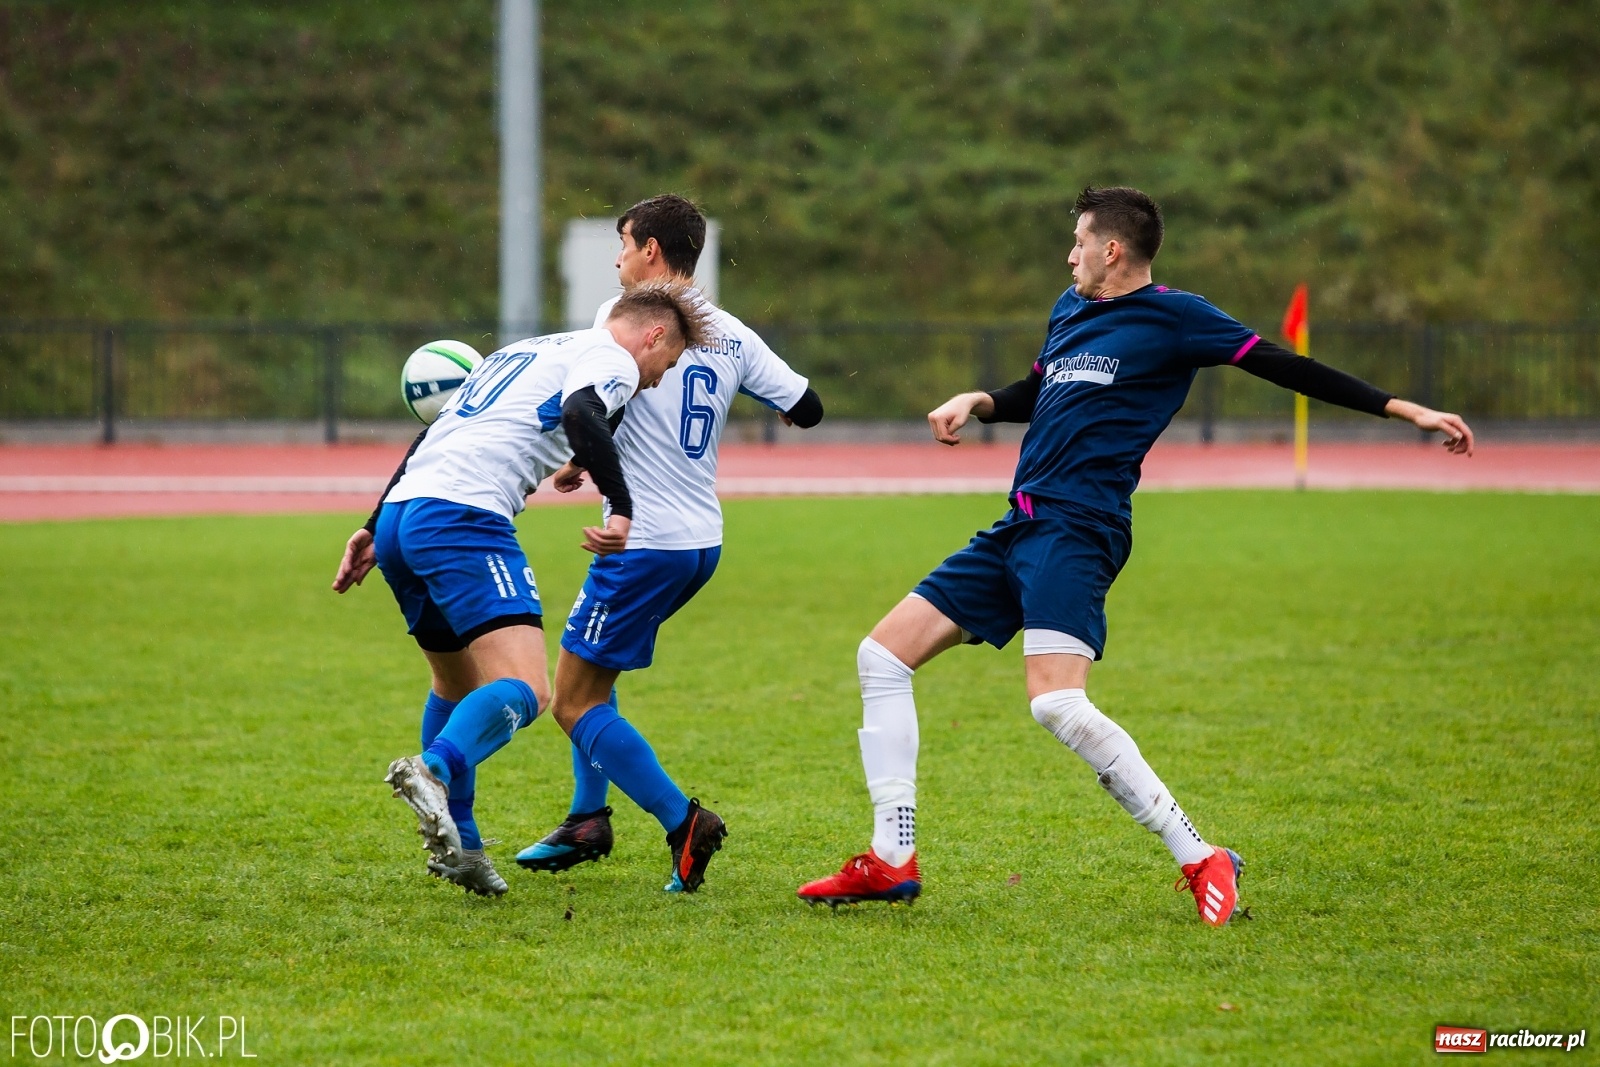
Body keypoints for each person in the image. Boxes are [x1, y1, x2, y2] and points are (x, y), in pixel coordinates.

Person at [797, 186, 1476, 925]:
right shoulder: (1070, 308)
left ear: (1111, 249)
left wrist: (1404, 408)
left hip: (1079, 529)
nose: (1070, 255)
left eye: (1078, 242)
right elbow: (1042, 388)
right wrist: (980, 401)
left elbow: (1284, 366)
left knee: (1056, 702)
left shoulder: (1177, 318)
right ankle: (891, 856)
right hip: (1019, 524)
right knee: (881, 655)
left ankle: (1200, 855)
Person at [333, 282, 714, 896]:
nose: (655, 381)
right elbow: (581, 412)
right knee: (530, 689)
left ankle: (464, 847)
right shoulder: (613, 356)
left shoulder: (527, 350)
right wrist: (620, 504)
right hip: (464, 518)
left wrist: (375, 524)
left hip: (407, 516)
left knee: (454, 685)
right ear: (654, 335)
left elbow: (435, 431)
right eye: (664, 367)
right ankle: (435, 769)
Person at [515, 194, 824, 892]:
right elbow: (808, 409)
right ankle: (586, 818)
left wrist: (598, 456)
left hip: (644, 541)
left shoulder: (615, 319)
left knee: (570, 700)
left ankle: (683, 821)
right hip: (699, 541)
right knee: (594, 673)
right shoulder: (735, 335)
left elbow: (605, 396)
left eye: (623, 243)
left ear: (652, 249)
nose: (618, 257)